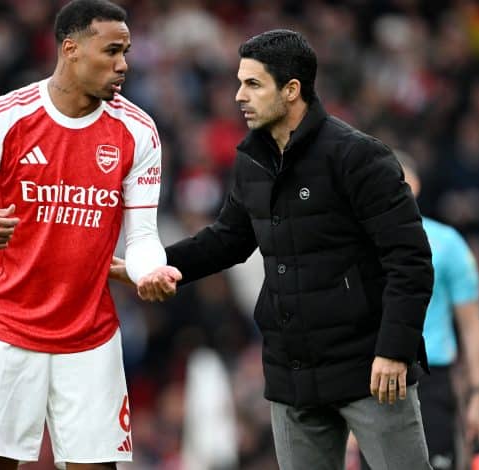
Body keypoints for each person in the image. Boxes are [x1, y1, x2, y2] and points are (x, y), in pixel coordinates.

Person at [119, 29, 435, 469]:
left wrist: (394, 350)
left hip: (369, 369)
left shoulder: (360, 158)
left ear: (291, 91)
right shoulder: (251, 161)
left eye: (252, 84)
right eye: (238, 82)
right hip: (293, 373)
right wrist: (152, 265)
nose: (238, 96)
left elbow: (411, 260)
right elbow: (228, 240)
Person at [0, 1, 179, 469]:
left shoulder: (138, 131)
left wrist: (150, 270)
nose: (124, 64)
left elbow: (141, 238)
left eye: (127, 51)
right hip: (7, 331)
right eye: (112, 50)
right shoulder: (5, 118)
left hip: (91, 337)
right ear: (71, 49)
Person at [358, 153, 479, 470]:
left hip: (431, 385)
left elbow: (472, 326)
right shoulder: (356, 246)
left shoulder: (447, 244)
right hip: (372, 384)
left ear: (413, 185)